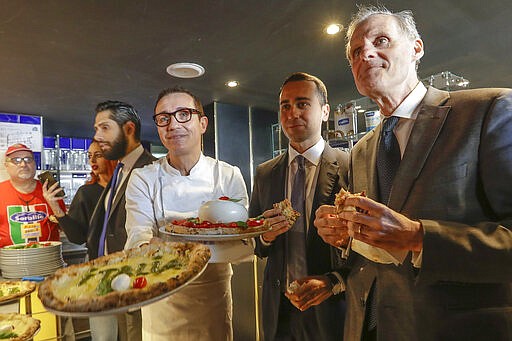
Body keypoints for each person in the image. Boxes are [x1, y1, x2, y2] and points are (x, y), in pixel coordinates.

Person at [314, 5, 512, 340]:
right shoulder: (361, 150)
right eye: (356, 52)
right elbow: (373, 251)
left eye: (381, 40)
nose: (367, 54)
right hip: (368, 326)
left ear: (416, 48)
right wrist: (345, 233)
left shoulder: (488, 110)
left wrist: (419, 237)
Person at [124, 86, 251, 340]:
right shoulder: (143, 178)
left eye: (183, 114)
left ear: (203, 123)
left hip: (212, 305)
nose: (173, 124)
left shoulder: (227, 175)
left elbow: (243, 245)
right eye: (164, 118)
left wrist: (169, 248)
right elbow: (138, 237)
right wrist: (148, 246)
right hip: (161, 307)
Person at [250, 72, 349, 341]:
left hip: (332, 307)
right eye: (285, 106)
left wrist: (334, 282)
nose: (292, 112)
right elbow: (255, 243)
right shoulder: (264, 173)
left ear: (325, 111)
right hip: (279, 309)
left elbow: (368, 248)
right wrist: (266, 234)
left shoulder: (350, 167)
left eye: (303, 104)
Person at [88, 101, 156, 341]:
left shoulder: (151, 169)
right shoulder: (119, 171)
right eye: (96, 128)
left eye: (105, 127)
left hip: (136, 285)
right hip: (115, 279)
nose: (97, 135)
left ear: (128, 129)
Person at [43, 140, 117, 249]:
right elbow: (77, 237)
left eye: (98, 155)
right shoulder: (85, 192)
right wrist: (56, 208)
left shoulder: (126, 188)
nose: (92, 160)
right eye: (89, 156)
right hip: (100, 259)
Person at [0, 143, 65, 248]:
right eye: (16, 160)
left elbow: (66, 228)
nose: (23, 164)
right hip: (9, 262)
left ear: (34, 164)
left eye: (28, 159)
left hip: (48, 259)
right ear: (6, 166)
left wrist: (56, 207)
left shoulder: (50, 190)